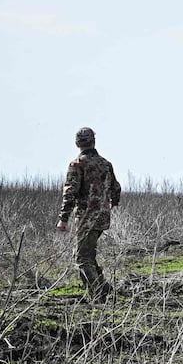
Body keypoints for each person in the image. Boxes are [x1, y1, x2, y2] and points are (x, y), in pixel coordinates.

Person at [57, 127, 121, 300]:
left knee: (82, 258)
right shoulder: (105, 164)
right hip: (102, 217)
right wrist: (111, 204)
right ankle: (104, 289)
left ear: (77, 143)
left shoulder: (77, 164)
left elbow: (70, 192)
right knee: (88, 255)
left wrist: (63, 219)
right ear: (93, 141)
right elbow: (116, 188)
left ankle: (97, 294)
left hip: (86, 218)